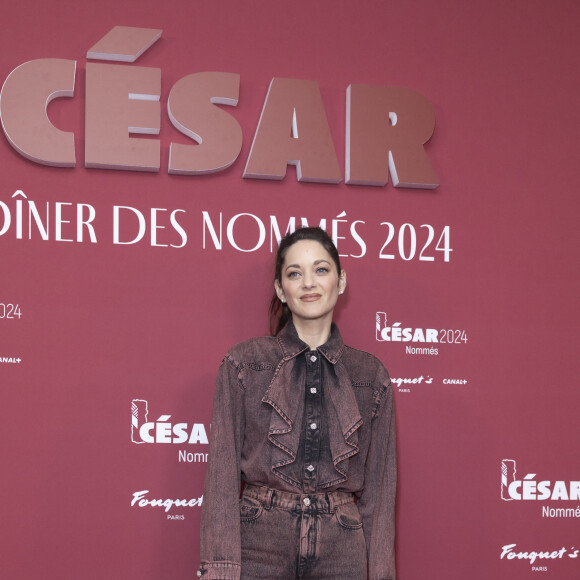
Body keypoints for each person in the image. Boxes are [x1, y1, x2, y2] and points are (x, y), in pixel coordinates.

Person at [198, 227, 396, 580]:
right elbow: (221, 478)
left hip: (342, 550)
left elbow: (380, 491)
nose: (309, 283)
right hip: (258, 546)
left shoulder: (371, 374)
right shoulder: (244, 363)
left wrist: (380, 573)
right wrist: (220, 569)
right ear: (280, 289)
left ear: (341, 281)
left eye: (321, 270)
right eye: (294, 273)